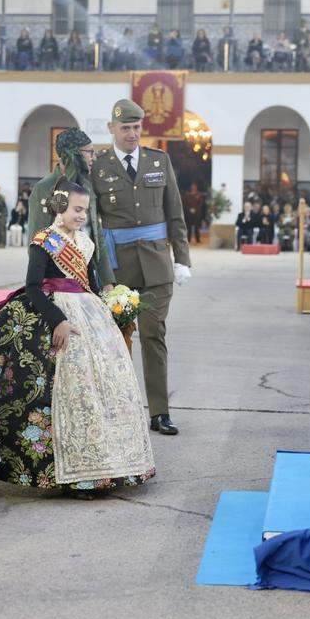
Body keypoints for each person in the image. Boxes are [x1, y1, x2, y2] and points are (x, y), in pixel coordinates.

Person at [0, 182, 155, 493]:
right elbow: (33, 286)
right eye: (77, 209)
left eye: (85, 210)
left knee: (101, 386)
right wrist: (57, 321)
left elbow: (88, 283)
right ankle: (67, 472)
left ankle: (103, 463)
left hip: (88, 311)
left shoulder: (85, 243)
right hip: (52, 310)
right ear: (59, 207)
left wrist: (111, 308)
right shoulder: (43, 241)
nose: (81, 215)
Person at [90, 99, 191, 435]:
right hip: (118, 267)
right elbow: (92, 221)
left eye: (136, 128)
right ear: (112, 129)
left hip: (158, 264)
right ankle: (118, 408)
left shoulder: (158, 162)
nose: (132, 134)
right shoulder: (99, 167)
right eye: (125, 128)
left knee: (153, 333)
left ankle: (159, 413)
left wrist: (183, 259)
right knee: (118, 339)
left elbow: (175, 214)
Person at [27, 127, 115, 285]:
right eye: (89, 152)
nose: (94, 158)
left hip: (89, 275)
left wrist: (108, 282)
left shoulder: (87, 186)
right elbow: (37, 239)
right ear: (74, 153)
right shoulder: (44, 188)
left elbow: (97, 236)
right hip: (58, 280)